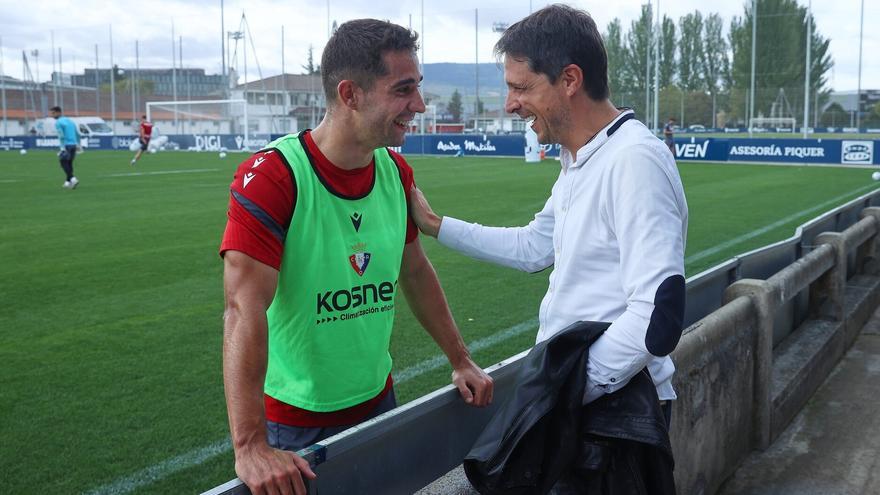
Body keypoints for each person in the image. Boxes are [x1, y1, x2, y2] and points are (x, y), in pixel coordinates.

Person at [409, 1, 688, 478]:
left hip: (614, 422)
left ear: (570, 80)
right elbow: (535, 247)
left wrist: (567, 389)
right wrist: (435, 225)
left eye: (521, 87)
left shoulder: (633, 161)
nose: (510, 104)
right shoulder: (582, 157)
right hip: (592, 408)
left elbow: (657, 315)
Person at [219, 18, 493, 495]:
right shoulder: (274, 178)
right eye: (403, 90)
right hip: (299, 424)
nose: (420, 106)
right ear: (350, 94)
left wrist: (461, 359)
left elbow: (415, 271)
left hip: (378, 401)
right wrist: (249, 446)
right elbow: (244, 308)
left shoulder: (395, 171)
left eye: (419, 88)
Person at [50, 106, 80, 189]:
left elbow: (61, 136)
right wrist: (78, 144)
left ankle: (73, 179)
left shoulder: (58, 122)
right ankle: (67, 182)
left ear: (59, 112)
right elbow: (78, 134)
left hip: (67, 145)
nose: (52, 115)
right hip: (73, 145)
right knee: (69, 163)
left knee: (63, 163)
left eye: (53, 113)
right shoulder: (70, 121)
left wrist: (62, 148)